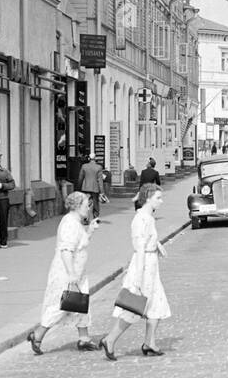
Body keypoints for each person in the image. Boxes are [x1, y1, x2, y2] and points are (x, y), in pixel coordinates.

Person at [101, 185, 171, 359]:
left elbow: (149, 240)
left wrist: (158, 246)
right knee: (135, 307)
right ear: (147, 197)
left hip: (151, 265)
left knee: (156, 304)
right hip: (144, 267)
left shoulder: (149, 218)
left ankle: (150, 343)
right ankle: (110, 339)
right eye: (158, 198)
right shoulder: (140, 219)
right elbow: (139, 248)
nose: (161, 201)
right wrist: (138, 278)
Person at [27, 191, 100, 353]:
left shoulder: (77, 222)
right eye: (86, 204)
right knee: (61, 304)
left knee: (81, 302)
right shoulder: (69, 223)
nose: (88, 208)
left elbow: (80, 244)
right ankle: (38, 334)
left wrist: (90, 230)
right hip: (67, 271)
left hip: (78, 270)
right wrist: (71, 273)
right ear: (77, 206)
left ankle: (84, 338)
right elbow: (66, 250)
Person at [77, 152, 105, 221]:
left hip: (85, 187)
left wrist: (78, 188)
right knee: (95, 203)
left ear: (89, 159)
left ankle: (86, 218)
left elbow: (80, 178)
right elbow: (100, 181)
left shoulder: (84, 166)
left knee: (86, 203)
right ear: (95, 159)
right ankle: (96, 218)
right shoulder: (99, 167)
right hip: (95, 188)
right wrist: (102, 192)